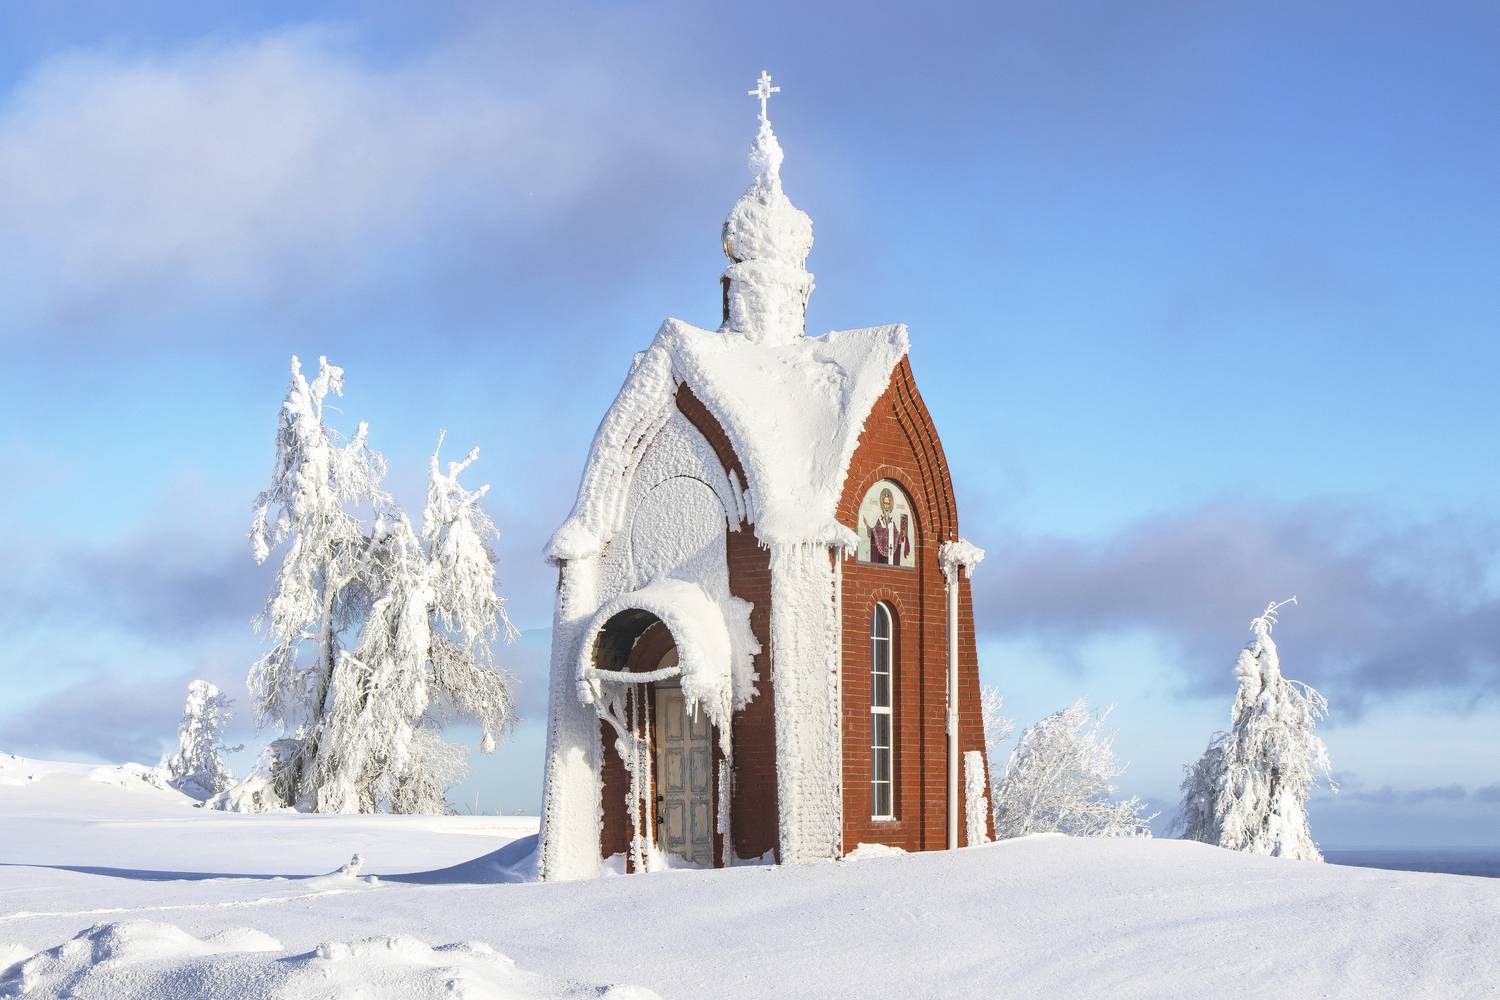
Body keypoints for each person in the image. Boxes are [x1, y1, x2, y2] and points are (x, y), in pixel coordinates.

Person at [863, 487, 911, 566]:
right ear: (882, 504)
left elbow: (896, 535)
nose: (886, 506)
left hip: (891, 554)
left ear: (890, 504)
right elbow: (874, 531)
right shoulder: (880, 520)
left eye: (888, 503)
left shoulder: (892, 521)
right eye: (885, 503)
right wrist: (867, 526)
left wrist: (902, 534)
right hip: (879, 556)